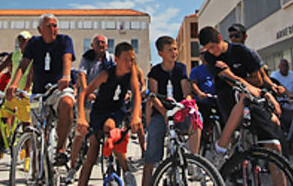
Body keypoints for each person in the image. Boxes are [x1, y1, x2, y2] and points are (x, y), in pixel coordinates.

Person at [199, 27, 283, 176]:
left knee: (274, 132)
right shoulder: (210, 57)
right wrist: (238, 80)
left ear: (219, 38)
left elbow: (258, 79)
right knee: (240, 96)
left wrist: (235, 76)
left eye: (212, 47)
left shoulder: (242, 51)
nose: (211, 52)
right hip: (228, 98)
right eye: (207, 49)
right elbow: (231, 81)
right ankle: (223, 149)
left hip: (252, 96)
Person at [6, 13, 75, 166]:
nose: (53, 29)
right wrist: (14, 84)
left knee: (67, 103)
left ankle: (60, 149)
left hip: (58, 88)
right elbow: (24, 64)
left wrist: (66, 76)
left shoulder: (64, 40)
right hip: (38, 93)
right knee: (39, 137)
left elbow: (67, 58)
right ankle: (36, 173)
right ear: (39, 29)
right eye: (48, 26)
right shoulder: (33, 43)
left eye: (55, 25)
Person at [76, 42, 142, 186]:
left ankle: (126, 171)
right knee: (92, 153)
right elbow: (83, 94)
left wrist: (136, 116)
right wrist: (81, 117)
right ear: (116, 59)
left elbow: (136, 93)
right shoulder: (106, 74)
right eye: (125, 59)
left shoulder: (132, 74)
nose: (129, 63)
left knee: (110, 129)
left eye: (131, 59)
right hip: (99, 111)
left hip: (116, 111)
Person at [142, 36, 199, 186]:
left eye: (175, 49)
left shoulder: (180, 68)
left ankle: (194, 159)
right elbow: (153, 97)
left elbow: (186, 90)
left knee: (196, 120)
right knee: (151, 153)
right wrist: (165, 113)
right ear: (160, 53)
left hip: (179, 110)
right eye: (170, 50)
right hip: (161, 113)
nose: (174, 52)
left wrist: (186, 105)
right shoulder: (155, 72)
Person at [70, 34, 115, 176]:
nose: (101, 45)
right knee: (81, 132)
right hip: (89, 97)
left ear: (106, 46)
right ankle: (72, 167)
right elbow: (82, 74)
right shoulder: (87, 57)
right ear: (92, 45)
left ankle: (112, 164)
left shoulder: (111, 59)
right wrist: (87, 90)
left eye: (103, 43)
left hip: (105, 99)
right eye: (98, 42)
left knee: (112, 130)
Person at [0, 31, 33, 159]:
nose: (22, 43)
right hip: (11, 92)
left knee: (26, 125)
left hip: (24, 93)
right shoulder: (14, 55)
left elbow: (31, 75)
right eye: (20, 40)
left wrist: (27, 89)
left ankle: (28, 156)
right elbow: (0, 68)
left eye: (24, 40)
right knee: (1, 118)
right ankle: (0, 148)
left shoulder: (33, 56)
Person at [228, 23, 286, 94]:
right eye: (231, 36)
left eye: (237, 36)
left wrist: (273, 86)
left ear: (245, 36)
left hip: (253, 94)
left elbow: (263, 76)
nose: (233, 39)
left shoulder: (251, 53)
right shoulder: (228, 55)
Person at [189, 55, 218, 131]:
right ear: (200, 57)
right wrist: (199, 93)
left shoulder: (216, 68)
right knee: (203, 121)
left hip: (217, 98)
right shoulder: (196, 70)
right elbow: (193, 83)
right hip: (203, 100)